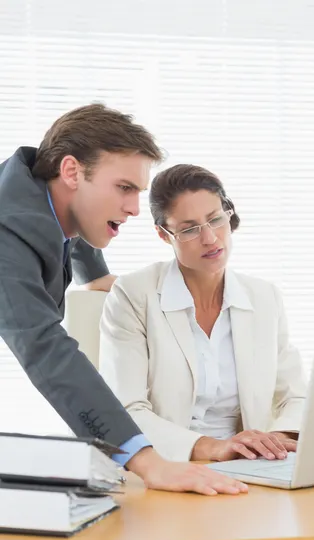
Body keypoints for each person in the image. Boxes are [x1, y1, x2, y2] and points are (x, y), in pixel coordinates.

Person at [0, 104, 247, 496]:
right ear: (70, 171)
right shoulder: (6, 237)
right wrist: (149, 463)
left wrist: (93, 273)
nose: (134, 208)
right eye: (124, 188)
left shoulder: (34, 191)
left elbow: (68, 219)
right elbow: (44, 349)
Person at [99, 164, 307, 463]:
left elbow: (295, 396)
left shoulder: (263, 297)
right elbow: (126, 409)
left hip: (249, 464)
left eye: (216, 220)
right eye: (189, 229)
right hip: (167, 463)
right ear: (163, 234)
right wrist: (214, 447)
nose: (210, 238)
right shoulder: (134, 295)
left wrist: (275, 441)